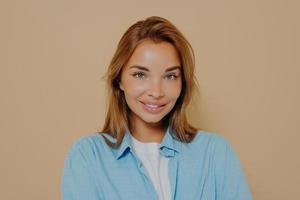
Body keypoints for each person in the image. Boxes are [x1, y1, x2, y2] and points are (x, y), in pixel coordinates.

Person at [61, 16, 252, 200]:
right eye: (140, 75)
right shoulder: (87, 156)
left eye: (170, 76)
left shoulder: (215, 153)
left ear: (182, 83)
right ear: (120, 79)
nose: (156, 91)